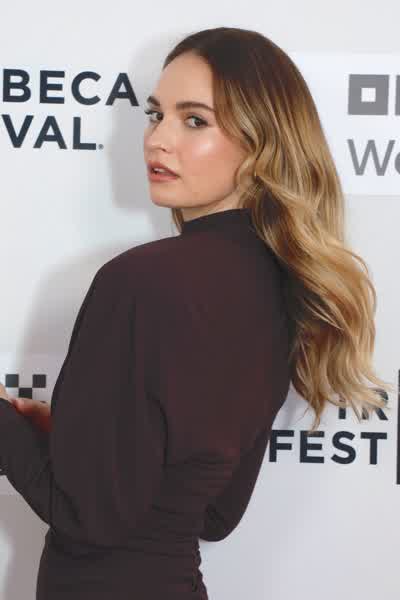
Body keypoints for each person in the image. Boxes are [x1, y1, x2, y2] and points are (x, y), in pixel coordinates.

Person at [0, 26, 392, 600]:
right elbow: (214, 512)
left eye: (194, 120)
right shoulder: (281, 287)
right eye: (155, 115)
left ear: (261, 145)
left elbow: (86, 517)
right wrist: (71, 435)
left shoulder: (141, 281)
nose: (157, 140)